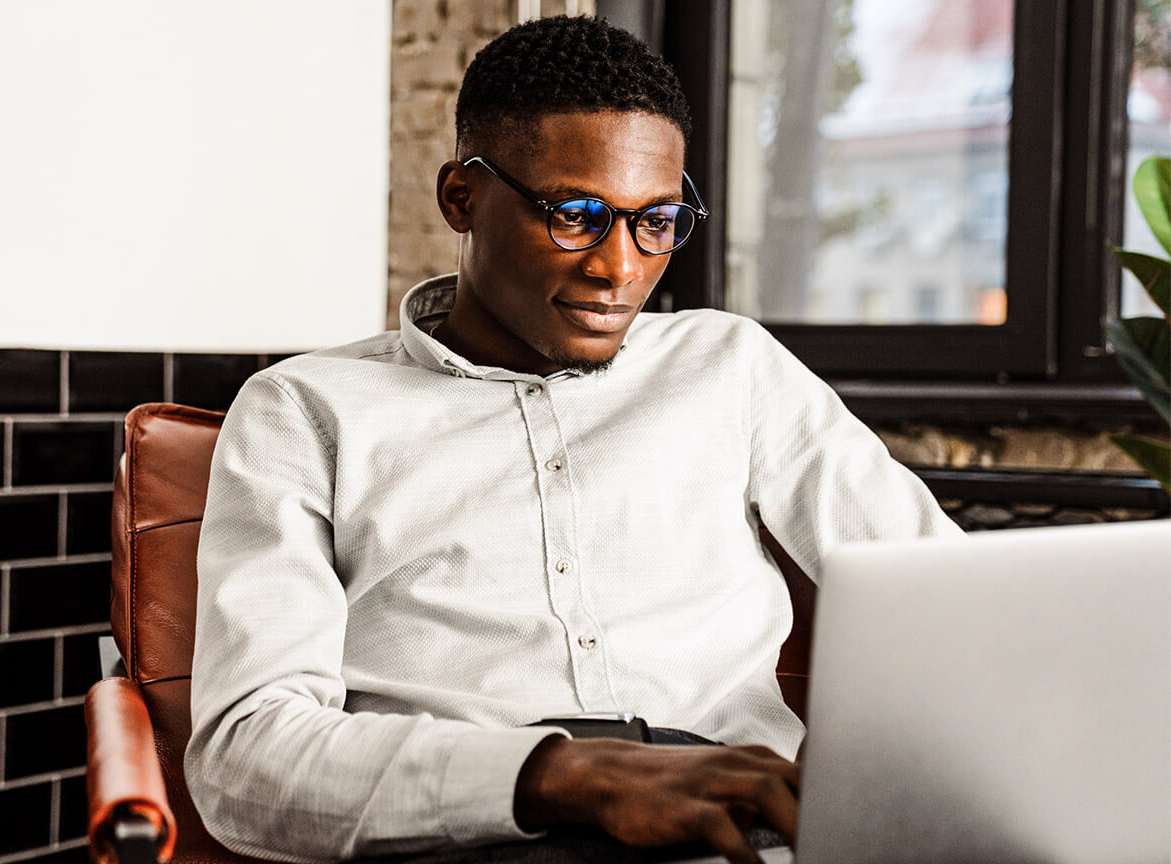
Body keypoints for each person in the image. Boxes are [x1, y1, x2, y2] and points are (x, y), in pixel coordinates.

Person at [185, 15, 960, 864]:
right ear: (461, 197)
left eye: (655, 221)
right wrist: (564, 774)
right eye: (577, 215)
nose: (618, 267)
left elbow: (949, 605)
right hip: (472, 839)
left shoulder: (733, 367)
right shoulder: (304, 410)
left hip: (739, 834)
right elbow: (244, 761)